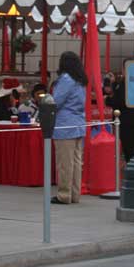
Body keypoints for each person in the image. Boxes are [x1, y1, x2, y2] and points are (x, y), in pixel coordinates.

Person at [51, 51, 87, 204]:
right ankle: (74, 193)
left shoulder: (66, 79)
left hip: (65, 125)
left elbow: (56, 101)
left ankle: (64, 194)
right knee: (77, 162)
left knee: (65, 163)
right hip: (78, 123)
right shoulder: (80, 80)